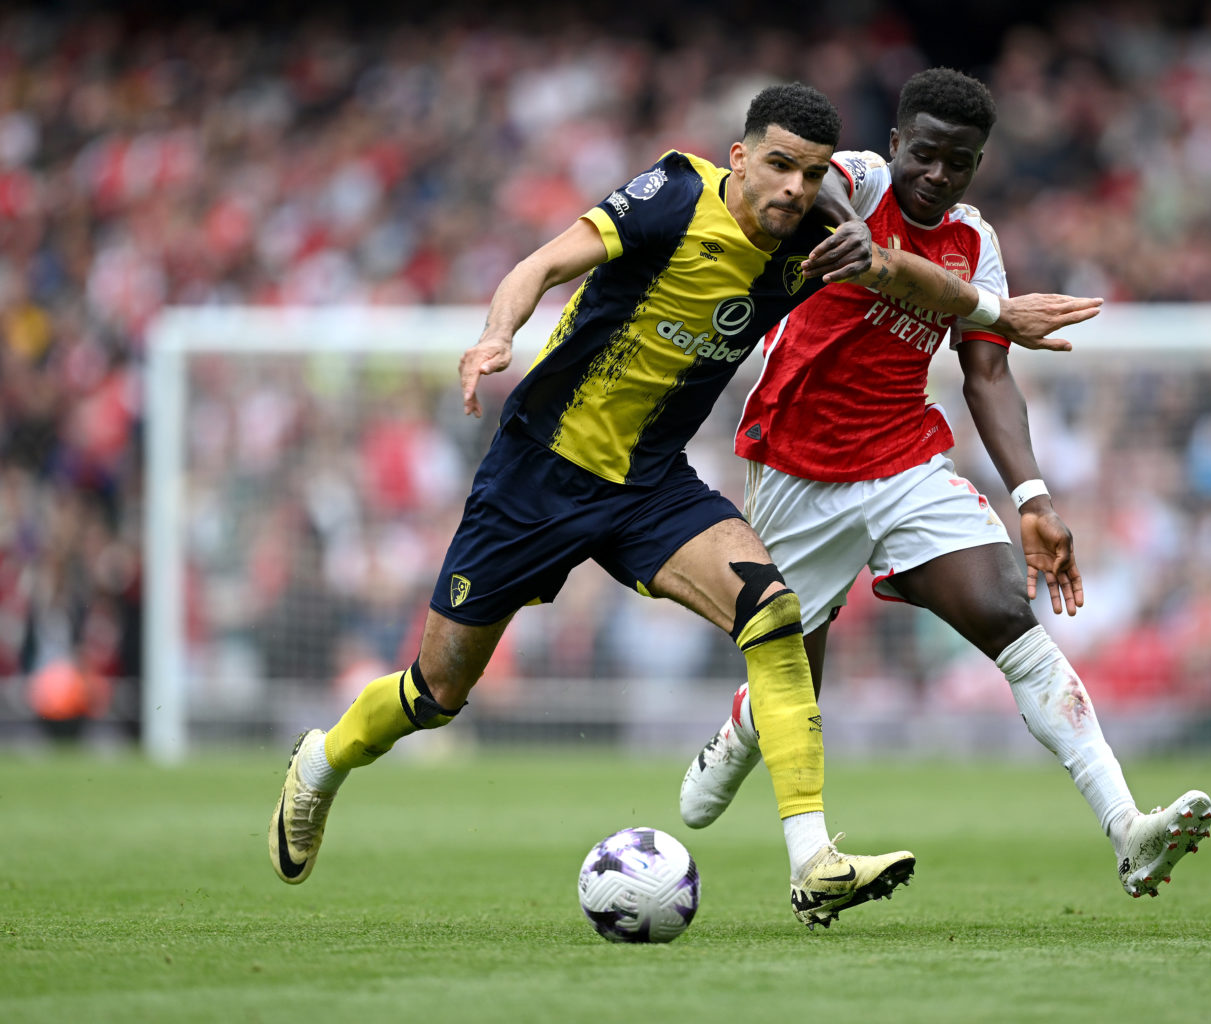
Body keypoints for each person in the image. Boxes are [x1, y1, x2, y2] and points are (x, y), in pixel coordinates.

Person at [269, 82, 1072, 929]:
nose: (792, 190)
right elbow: (540, 265)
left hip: (650, 485)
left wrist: (993, 313)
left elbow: (900, 275)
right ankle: (322, 763)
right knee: (437, 691)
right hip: (537, 476)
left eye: (807, 175)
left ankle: (814, 861)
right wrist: (496, 335)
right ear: (740, 157)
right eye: (777, 167)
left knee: (773, 610)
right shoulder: (672, 195)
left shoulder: (816, 237)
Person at [678, 68, 1211, 899]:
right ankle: (744, 733)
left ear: (976, 164)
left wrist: (1033, 497)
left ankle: (1127, 828)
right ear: (896, 145)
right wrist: (863, 232)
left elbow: (989, 376)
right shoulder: (853, 178)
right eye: (924, 154)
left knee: (1007, 610)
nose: (936, 174)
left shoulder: (974, 242)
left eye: (957, 163)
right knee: (792, 678)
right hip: (796, 468)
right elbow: (815, 201)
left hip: (905, 462)